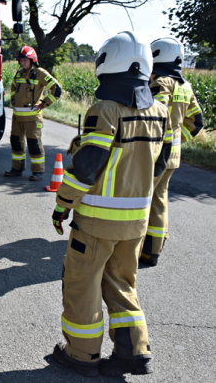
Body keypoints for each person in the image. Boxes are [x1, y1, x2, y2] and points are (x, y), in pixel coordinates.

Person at [51, 31, 172, 377]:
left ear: (108, 64)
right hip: (136, 223)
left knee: (82, 284)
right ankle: (133, 352)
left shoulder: (104, 110)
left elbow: (87, 165)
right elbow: (161, 164)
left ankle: (81, 354)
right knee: (122, 282)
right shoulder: (160, 110)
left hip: (96, 223)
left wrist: (63, 204)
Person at [140, 37, 204, 266]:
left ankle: (135, 247)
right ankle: (152, 250)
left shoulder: (161, 84)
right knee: (159, 199)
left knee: (142, 199)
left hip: (155, 154)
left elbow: (153, 115)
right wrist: (176, 141)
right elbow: (196, 122)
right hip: (172, 157)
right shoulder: (185, 86)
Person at [4, 46, 63, 181]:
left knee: (34, 144)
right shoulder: (19, 73)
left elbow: (57, 89)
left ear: (32, 60)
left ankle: (37, 171)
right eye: (20, 60)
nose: (22, 63)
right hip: (17, 116)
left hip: (32, 117)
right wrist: (13, 100)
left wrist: (44, 103)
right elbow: (13, 87)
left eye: (25, 60)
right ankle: (16, 168)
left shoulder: (40, 73)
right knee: (16, 143)